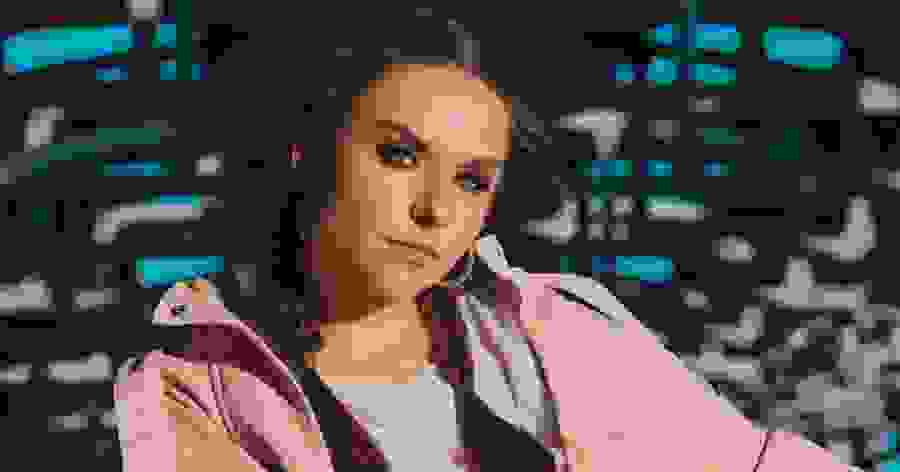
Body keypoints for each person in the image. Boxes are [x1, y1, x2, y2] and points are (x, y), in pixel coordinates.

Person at [112, 6, 863, 472]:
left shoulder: (554, 330)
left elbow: (757, 465)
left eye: (473, 181)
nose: (436, 210)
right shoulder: (194, 384)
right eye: (399, 156)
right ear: (307, 150)